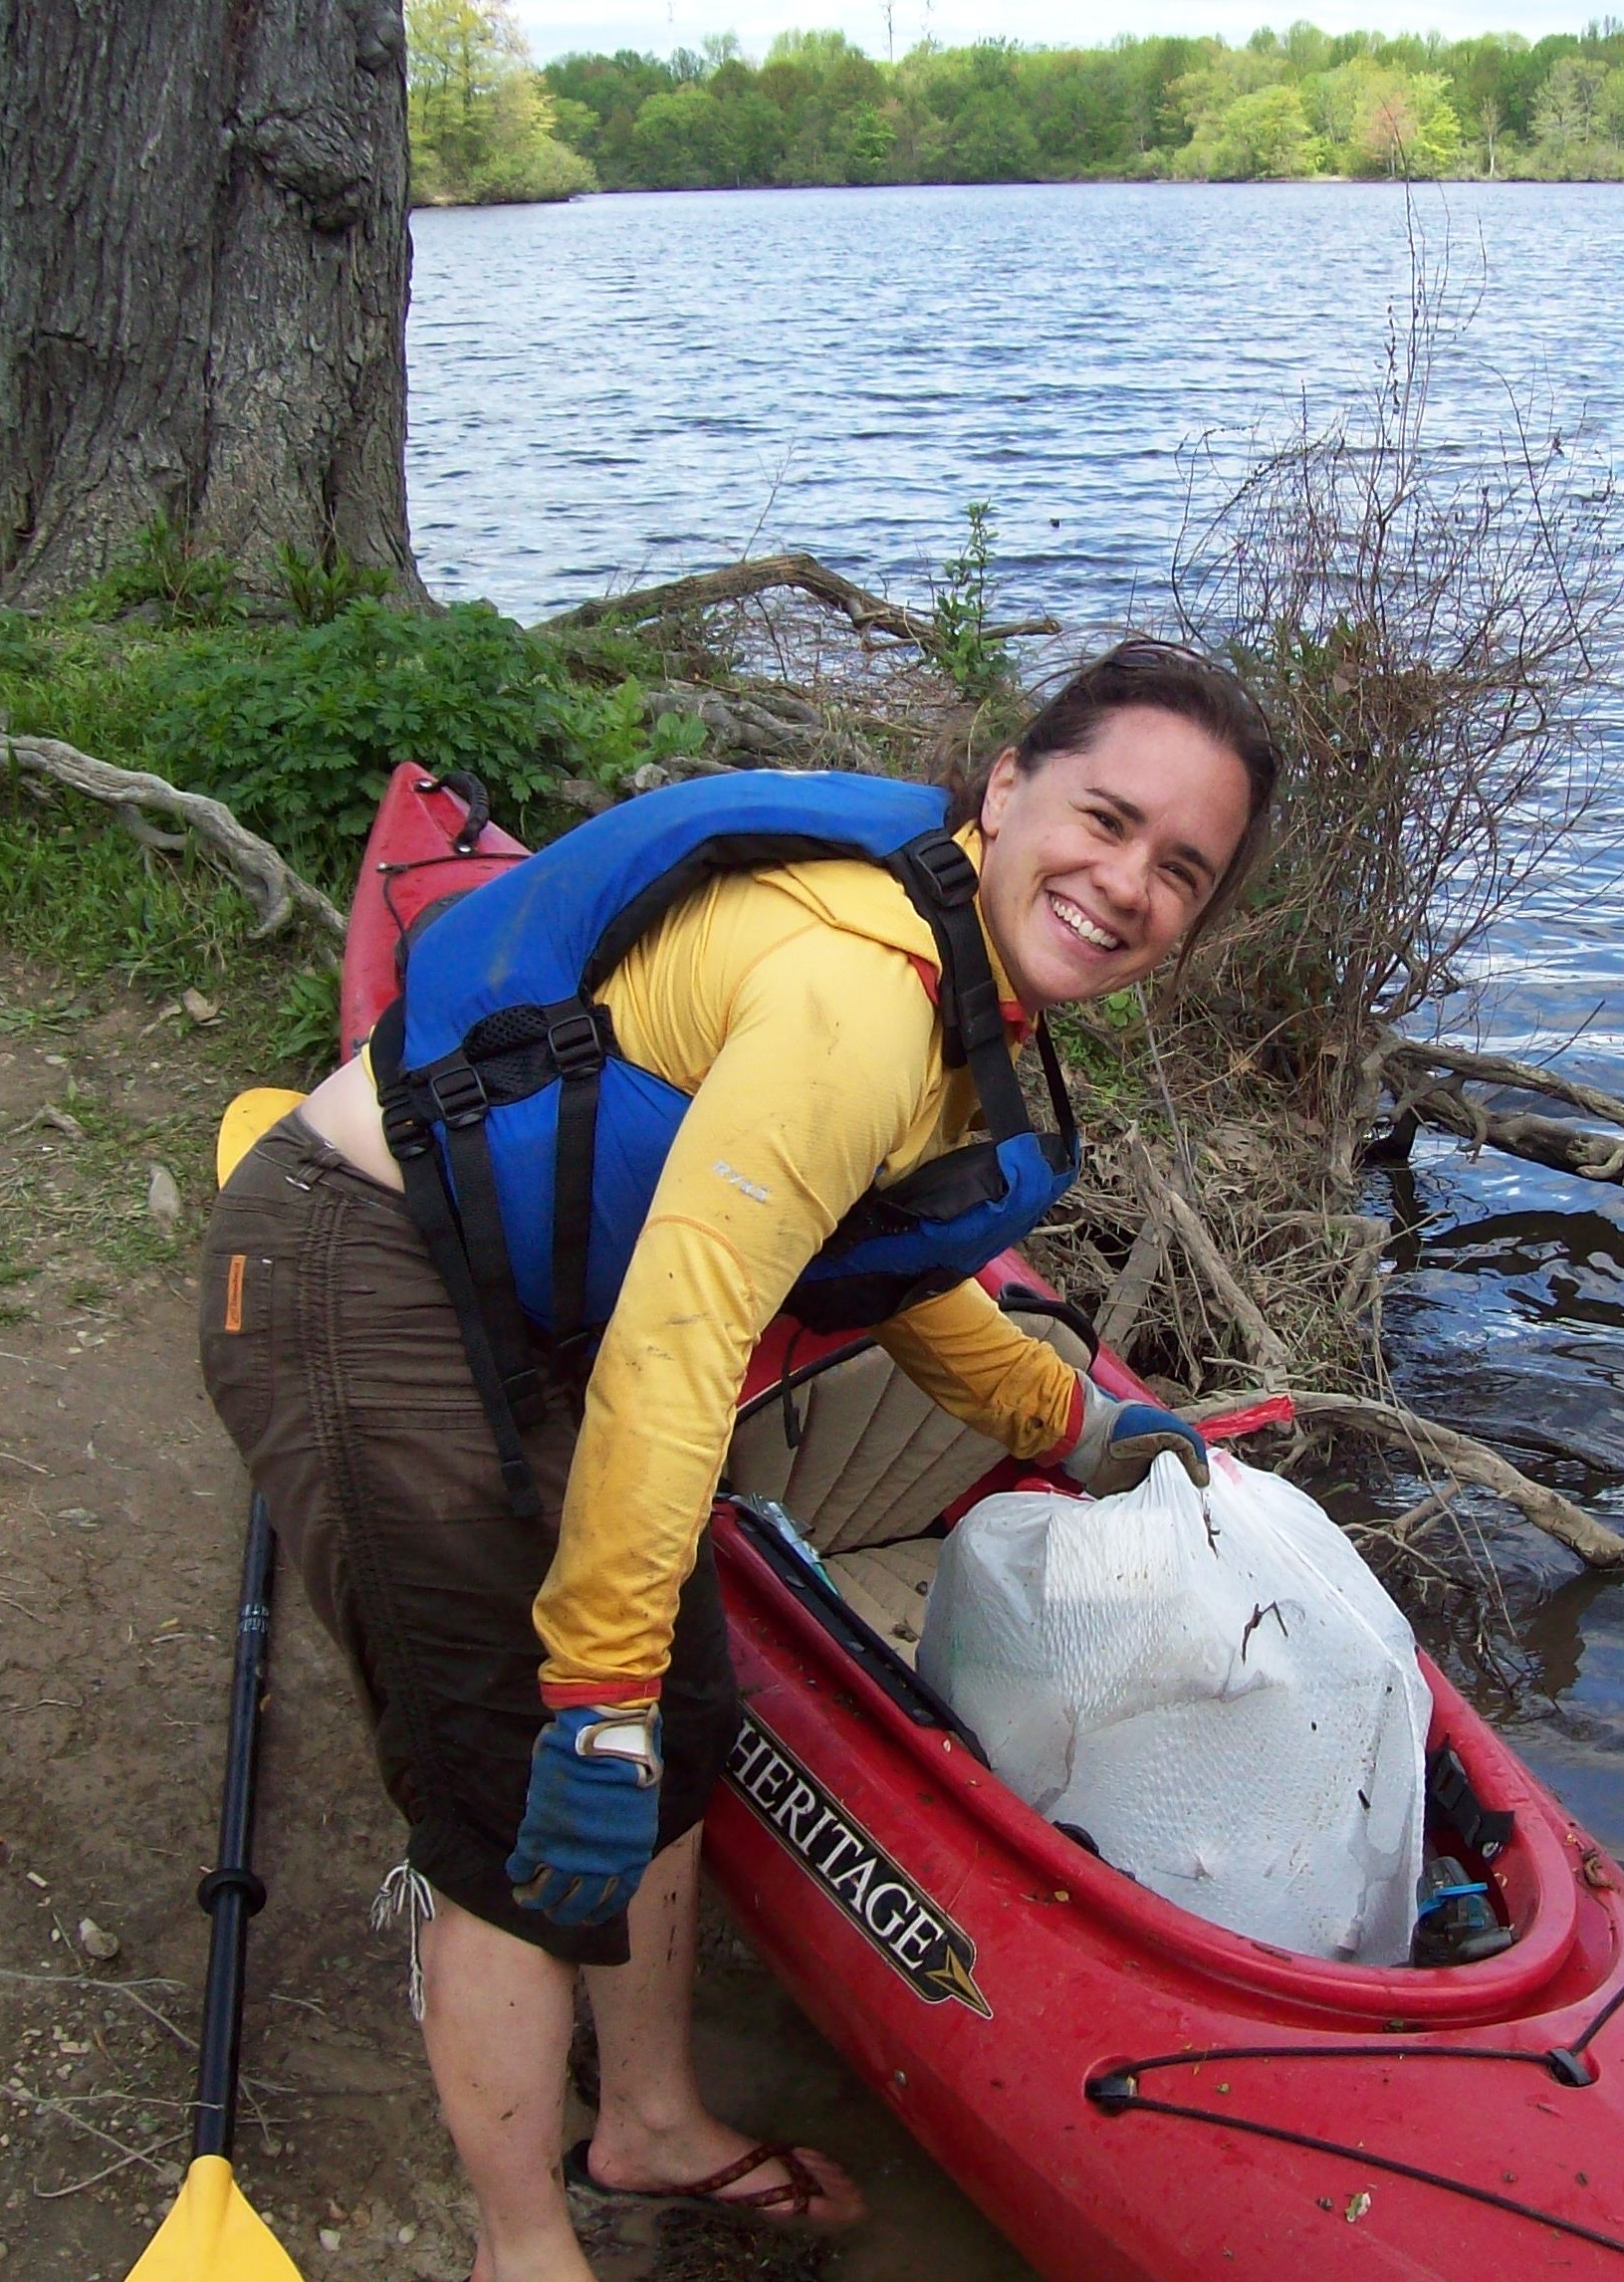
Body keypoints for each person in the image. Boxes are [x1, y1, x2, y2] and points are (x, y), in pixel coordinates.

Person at [197, 639, 1278, 2282]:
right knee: (520, 1773)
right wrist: (592, 1700)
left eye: (1179, 867)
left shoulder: (953, 980)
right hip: (354, 1268)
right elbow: (682, 1349)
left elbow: (887, 1263)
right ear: (1006, 789)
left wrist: (1080, 1424)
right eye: (1106, 818)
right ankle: (523, 2244)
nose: (1125, 884)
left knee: (689, 1710)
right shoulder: (862, 994)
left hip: (520, 1299)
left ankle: (648, 2119)